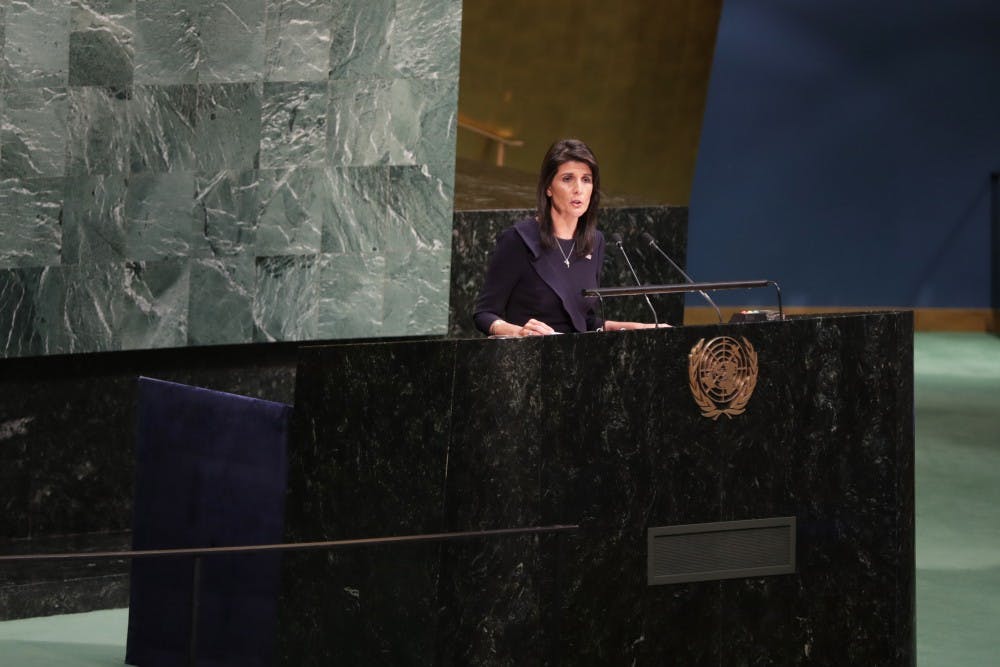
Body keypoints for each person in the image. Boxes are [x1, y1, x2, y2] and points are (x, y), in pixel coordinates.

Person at [473, 138, 667, 337]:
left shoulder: (594, 241)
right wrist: (520, 332)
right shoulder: (519, 240)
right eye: (567, 179)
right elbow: (484, 314)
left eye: (586, 179)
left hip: (577, 355)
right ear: (548, 187)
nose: (578, 189)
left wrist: (640, 328)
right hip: (531, 353)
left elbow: (586, 322)